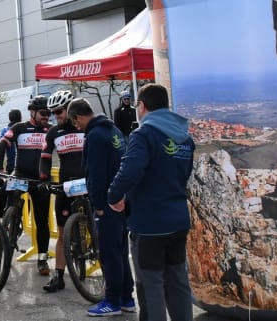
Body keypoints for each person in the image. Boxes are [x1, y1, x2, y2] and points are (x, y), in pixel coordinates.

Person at [107, 84, 194, 321]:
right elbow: (183, 174)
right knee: (177, 281)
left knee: (150, 284)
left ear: (142, 106)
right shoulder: (185, 138)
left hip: (149, 224)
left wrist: (114, 196)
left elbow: (129, 171)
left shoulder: (143, 135)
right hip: (178, 219)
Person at [67, 98, 135, 316]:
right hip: (122, 201)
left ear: (78, 117)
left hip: (107, 204)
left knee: (109, 254)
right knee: (121, 252)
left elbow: (95, 174)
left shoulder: (95, 136)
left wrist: (98, 206)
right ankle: (126, 297)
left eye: (74, 122)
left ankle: (112, 301)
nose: (76, 127)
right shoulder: (113, 130)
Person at [0, 95, 52, 276]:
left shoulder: (51, 130)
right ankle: (9, 222)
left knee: (42, 221)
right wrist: (0, 167)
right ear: (32, 112)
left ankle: (42, 259)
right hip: (21, 175)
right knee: (4, 192)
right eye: (43, 113)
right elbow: (1, 145)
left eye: (48, 113)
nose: (46, 116)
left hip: (41, 180)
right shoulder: (19, 128)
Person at [39, 90, 82, 292]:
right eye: (54, 112)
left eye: (59, 112)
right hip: (65, 185)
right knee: (63, 233)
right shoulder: (53, 133)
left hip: (87, 184)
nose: (56, 116)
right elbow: (45, 158)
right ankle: (59, 276)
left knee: (96, 229)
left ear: (70, 109)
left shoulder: (84, 127)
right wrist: (45, 179)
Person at [0, 108, 22, 218]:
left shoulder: (5, 130)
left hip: (11, 167)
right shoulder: (23, 129)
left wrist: (0, 168)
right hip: (23, 167)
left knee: (5, 192)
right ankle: (15, 219)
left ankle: (0, 217)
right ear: (20, 118)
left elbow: (0, 151)